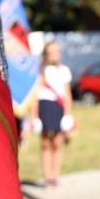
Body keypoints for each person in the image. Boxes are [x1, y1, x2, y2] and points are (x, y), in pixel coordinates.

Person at [31, 41, 74, 188]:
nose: (54, 55)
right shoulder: (40, 71)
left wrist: (68, 114)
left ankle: (56, 176)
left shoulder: (64, 71)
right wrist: (34, 117)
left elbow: (67, 94)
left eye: (57, 52)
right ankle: (47, 177)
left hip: (58, 107)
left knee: (57, 142)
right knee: (45, 143)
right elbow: (35, 95)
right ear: (46, 54)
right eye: (51, 52)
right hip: (45, 106)